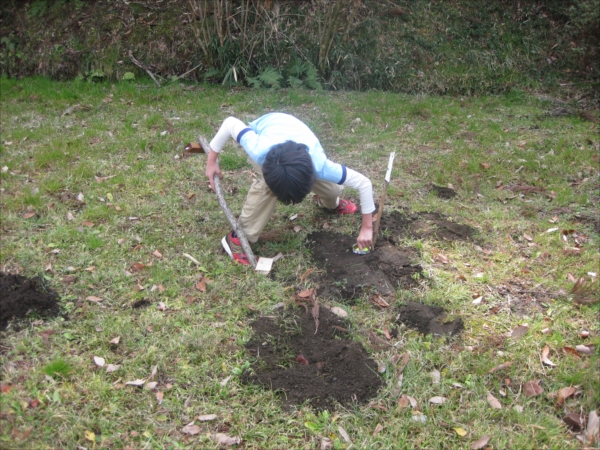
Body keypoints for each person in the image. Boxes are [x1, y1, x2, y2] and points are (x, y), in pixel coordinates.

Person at [205, 112, 375, 265]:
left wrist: (367, 227)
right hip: (268, 140)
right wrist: (211, 161)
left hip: (297, 144)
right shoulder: (258, 149)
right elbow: (229, 123)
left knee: (333, 190)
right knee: (267, 187)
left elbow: (364, 184)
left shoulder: (321, 165)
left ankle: (331, 203)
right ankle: (238, 238)